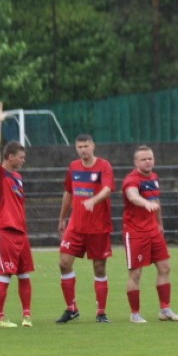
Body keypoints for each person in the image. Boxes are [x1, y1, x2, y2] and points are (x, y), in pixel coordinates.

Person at [55, 134, 115, 324]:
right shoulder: (73, 167)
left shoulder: (104, 166)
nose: (83, 150)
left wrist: (93, 200)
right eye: (79, 146)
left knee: (99, 267)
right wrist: (62, 218)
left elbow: (107, 190)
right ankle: (71, 308)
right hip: (76, 226)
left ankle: (101, 312)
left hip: (98, 226)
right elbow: (69, 192)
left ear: (93, 146)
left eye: (86, 146)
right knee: (64, 262)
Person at [121, 145, 178, 323]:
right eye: (143, 159)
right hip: (135, 232)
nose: (148, 162)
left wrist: (160, 224)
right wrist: (144, 203)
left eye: (150, 158)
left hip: (153, 231)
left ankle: (165, 310)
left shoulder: (154, 177)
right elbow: (132, 195)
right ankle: (135, 314)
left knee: (165, 268)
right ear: (136, 162)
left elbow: (156, 200)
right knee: (136, 274)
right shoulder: (131, 179)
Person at [0, 101, 34, 328]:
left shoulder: (18, 178)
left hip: (20, 232)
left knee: (24, 275)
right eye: (20, 156)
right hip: (4, 230)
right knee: (5, 275)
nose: (23, 160)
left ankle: (26, 316)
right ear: (10, 156)